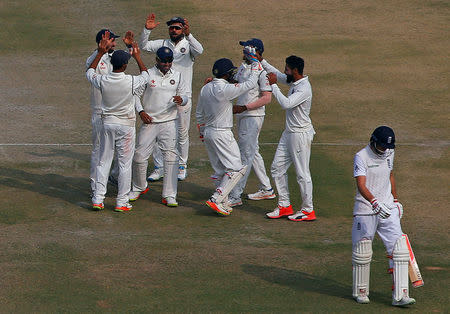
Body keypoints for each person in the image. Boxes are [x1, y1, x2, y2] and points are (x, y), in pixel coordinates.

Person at [351, 126, 416, 307]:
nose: (384, 150)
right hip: (366, 209)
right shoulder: (361, 156)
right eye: (381, 147)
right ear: (373, 141)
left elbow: (390, 174)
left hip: (388, 208)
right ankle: (361, 292)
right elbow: (361, 185)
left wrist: (395, 200)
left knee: (399, 250)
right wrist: (374, 202)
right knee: (363, 251)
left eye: (387, 147)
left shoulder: (389, 152)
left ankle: (400, 295)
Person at [86, 33, 149, 212]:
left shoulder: (103, 80)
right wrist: (137, 56)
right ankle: (121, 202)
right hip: (126, 126)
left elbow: (89, 72)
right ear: (125, 65)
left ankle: (98, 199)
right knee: (124, 164)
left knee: (103, 161)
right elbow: (145, 74)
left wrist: (99, 53)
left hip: (107, 124)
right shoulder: (131, 81)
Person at [138, 13, 204, 181]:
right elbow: (143, 46)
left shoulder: (189, 45)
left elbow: (200, 50)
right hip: (163, 96)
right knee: (158, 132)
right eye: (171, 27)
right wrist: (147, 30)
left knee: (182, 133)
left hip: (182, 97)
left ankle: (182, 165)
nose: (173, 30)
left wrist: (189, 35)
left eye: (177, 28)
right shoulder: (163, 43)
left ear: (183, 29)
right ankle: (159, 167)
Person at [196, 53, 262, 216]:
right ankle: (216, 199)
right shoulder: (224, 90)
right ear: (226, 74)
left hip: (209, 133)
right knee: (237, 168)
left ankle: (223, 202)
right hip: (222, 134)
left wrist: (202, 131)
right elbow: (250, 84)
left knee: (220, 171)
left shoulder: (206, 88)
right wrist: (255, 65)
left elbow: (199, 113)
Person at [259, 54, 316, 221]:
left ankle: (308, 210)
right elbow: (277, 74)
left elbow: (286, 104)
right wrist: (261, 61)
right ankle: (284, 205)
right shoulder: (294, 80)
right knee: (277, 168)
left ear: (296, 71)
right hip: (289, 133)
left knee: (302, 173)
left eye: (287, 69)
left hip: (300, 134)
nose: (285, 72)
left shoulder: (304, 88)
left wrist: (273, 85)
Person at [128, 47, 188, 207]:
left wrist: (181, 99)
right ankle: (139, 187)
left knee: (170, 158)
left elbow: (186, 96)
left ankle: (169, 195)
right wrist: (141, 112)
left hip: (170, 122)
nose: (167, 64)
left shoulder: (178, 75)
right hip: (150, 122)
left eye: (169, 61)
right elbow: (135, 95)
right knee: (139, 156)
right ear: (157, 60)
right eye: (164, 61)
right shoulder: (147, 74)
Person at [228, 38, 275, 207]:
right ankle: (266, 188)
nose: (243, 52)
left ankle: (235, 195)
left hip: (252, 117)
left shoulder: (262, 72)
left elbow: (267, 98)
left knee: (245, 155)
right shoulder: (244, 67)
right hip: (243, 115)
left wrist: (244, 107)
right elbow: (237, 84)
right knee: (253, 152)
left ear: (256, 52)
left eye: (246, 49)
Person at [85, 29, 120, 194]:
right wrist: (100, 51)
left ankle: (114, 176)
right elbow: (88, 68)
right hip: (100, 113)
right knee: (99, 152)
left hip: (117, 111)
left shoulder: (114, 57)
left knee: (120, 149)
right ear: (102, 42)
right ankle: (95, 186)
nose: (114, 43)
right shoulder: (95, 59)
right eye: (112, 40)